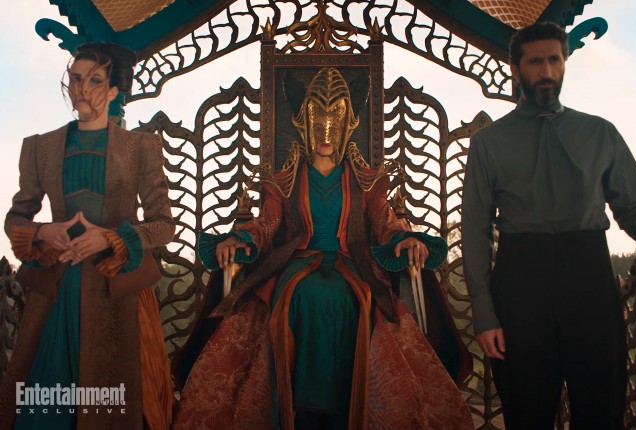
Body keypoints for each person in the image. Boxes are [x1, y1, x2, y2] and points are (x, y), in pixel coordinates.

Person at [173, 67, 473, 429]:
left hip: (351, 262)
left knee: (355, 299)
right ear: (304, 122)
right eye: (318, 119)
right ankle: (303, 406)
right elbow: (267, 222)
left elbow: (384, 221)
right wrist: (242, 238)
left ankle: (344, 404)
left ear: (348, 123)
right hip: (297, 262)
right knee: (304, 296)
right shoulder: (284, 179)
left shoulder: (365, 180)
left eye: (335, 120)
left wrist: (403, 237)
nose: (326, 131)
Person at [462, 22, 636, 429]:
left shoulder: (600, 133)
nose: (546, 71)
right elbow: (475, 230)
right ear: (516, 69)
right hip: (521, 284)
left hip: (590, 277)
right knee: (527, 412)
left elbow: (635, 207)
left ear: (564, 63)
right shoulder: (489, 143)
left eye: (554, 60)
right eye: (535, 62)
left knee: (602, 410)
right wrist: (485, 314)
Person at [0, 43, 176, 430]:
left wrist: (111, 238)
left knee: (113, 408)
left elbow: (164, 224)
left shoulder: (140, 147)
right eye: (76, 79)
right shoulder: (40, 147)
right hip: (57, 292)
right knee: (44, 407)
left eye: (95, 80)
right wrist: (45, 230)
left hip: (118, 290)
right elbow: (15, 219)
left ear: (113, 90)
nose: (81, 88)